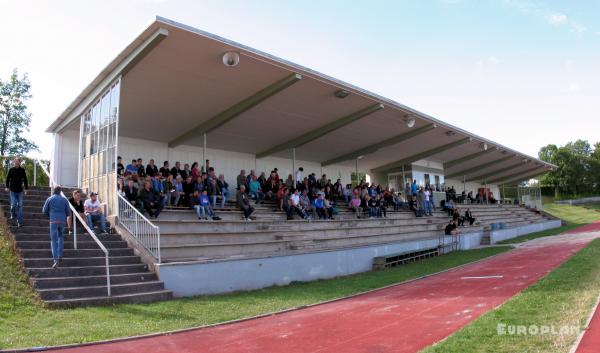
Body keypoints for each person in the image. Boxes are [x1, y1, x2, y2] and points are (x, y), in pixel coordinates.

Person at [42, 186, 71, 268]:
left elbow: (44, 211)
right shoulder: (64, 200)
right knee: (61, 237)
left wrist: (50, 215)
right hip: (62, 221)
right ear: (60, 192)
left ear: (53, 191)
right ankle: (60, 255)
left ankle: (55, 260)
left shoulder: (50, 199)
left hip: (53, 221)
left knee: (54, 240)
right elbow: (68, 213)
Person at [5, 157, 28, 227]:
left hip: (20, 191)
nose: (16, 164)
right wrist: (7, 187)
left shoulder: (22, 170)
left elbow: (25, 180)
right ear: (14, 163)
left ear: (19, 163)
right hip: (12, 190)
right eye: (15, 162)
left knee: (20, 206)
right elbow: (7, 179)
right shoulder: (11, 170)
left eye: (18, 163)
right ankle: (12, 214)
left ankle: (19, 222)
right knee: (14, 204)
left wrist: (26, 189)